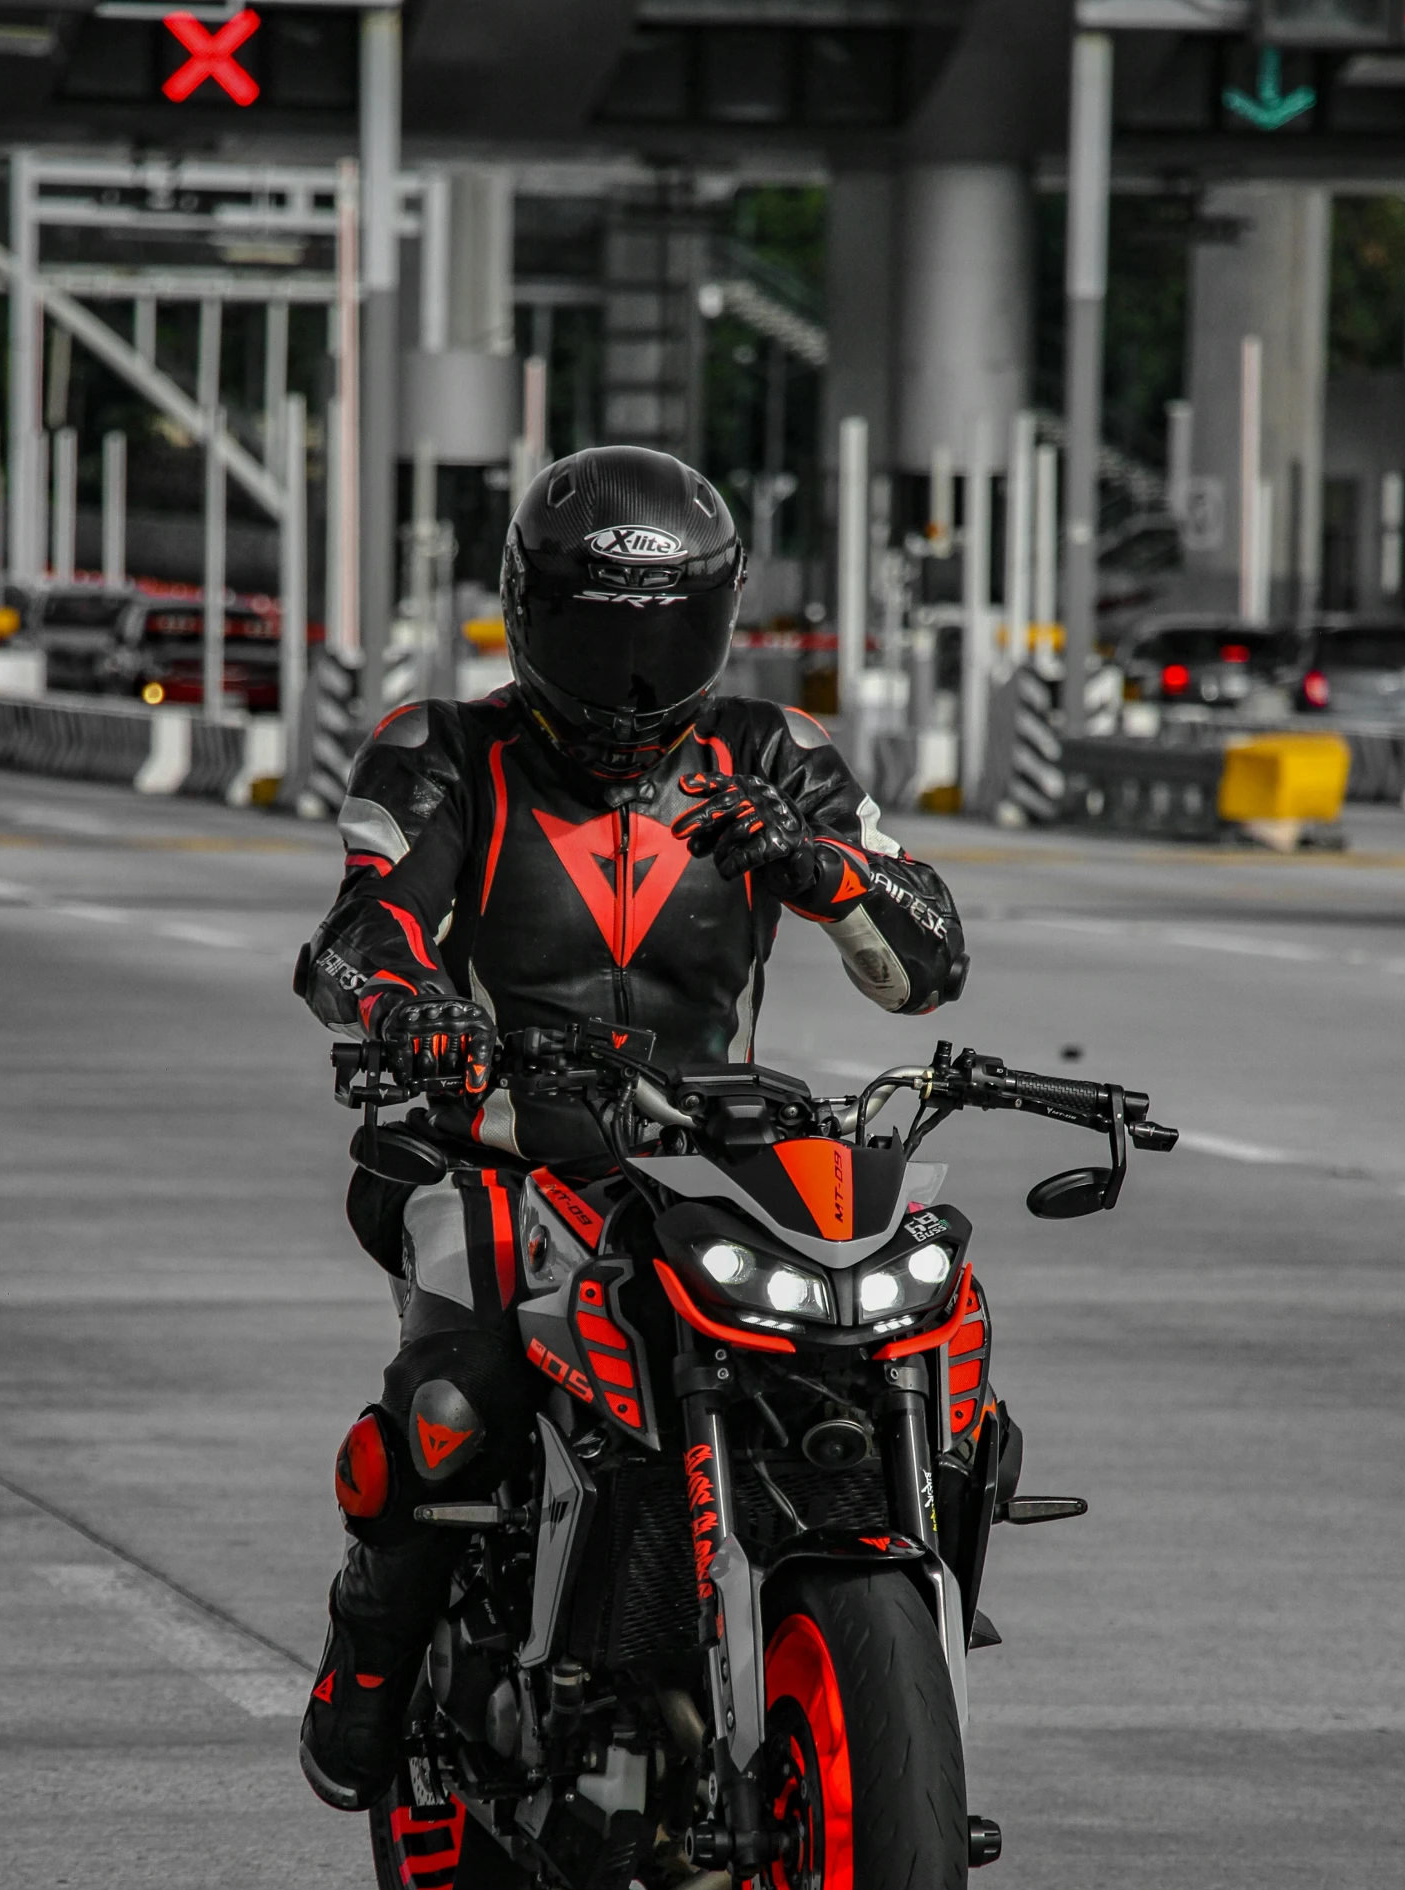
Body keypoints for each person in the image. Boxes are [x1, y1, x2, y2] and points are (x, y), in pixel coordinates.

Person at [295, 443, 968, 1810]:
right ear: (529, 614)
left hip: (695, 1156)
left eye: (667, 633)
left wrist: (820, 866)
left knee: (910, 1327)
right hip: (484, 1147)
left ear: (721, 618)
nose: (634, 678)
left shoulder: (775, 756)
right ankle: (367, 1665)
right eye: (604, 635)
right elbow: (354, 937)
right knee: (451, 1403)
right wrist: (410, 1006)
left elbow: (929, 958)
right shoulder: (444, 752)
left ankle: (877, 1632)